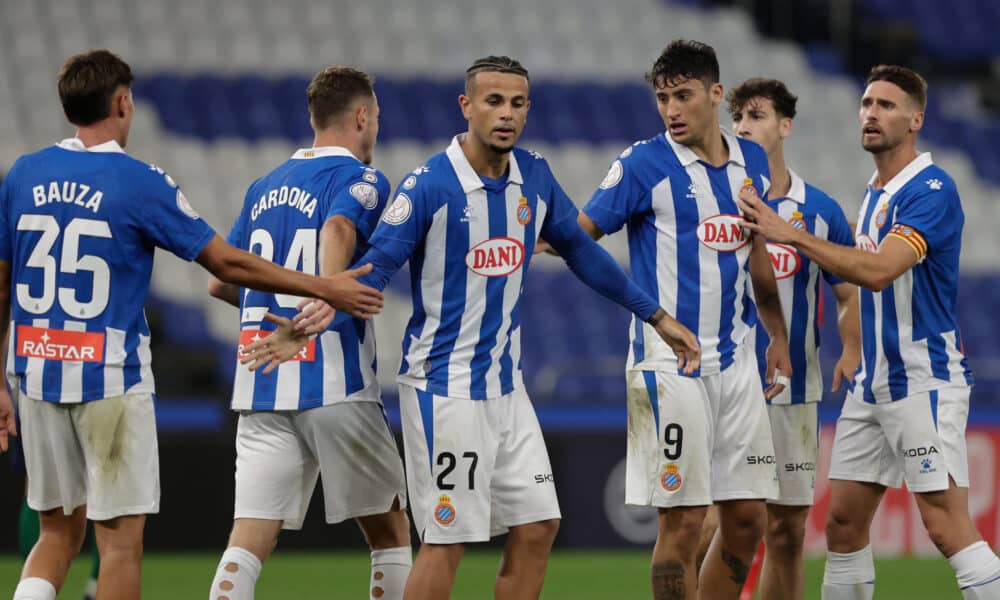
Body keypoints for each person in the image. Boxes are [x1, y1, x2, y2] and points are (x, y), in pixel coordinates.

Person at [246, 55, 700, 600]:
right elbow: (374, 270)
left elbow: (581, 251)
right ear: (467, 106)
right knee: (448, 541)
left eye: (517, 103)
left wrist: (657, 315)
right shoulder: (429, 186)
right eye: (493, 101)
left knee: (537, 527)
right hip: (444, 390)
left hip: (506, 391)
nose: (506, 114)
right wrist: (314, 317)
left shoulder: (534, 174)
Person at [1, 49, 383, 600]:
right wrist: (323, 286)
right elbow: (222, 264)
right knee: (119, 544)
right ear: (124, 102)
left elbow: (2, 280)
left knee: (57, 532)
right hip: (107, 376)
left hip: (34, 369)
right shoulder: (137, 181)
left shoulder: (23, 174)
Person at [738, 64, 1000, 600]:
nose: (870, 114)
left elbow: (879, 270)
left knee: (945, 528)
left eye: (885, 105)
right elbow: (858, 287)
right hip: (871, 386)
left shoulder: (930, 187)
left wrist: (790, 233)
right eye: (865, 104)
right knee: (843, 527)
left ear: (916, 119)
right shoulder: (877, 191)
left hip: (921, 381)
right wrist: (854, 346)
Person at [577, 40, 791, 599]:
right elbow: (578, 239)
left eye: (684, 96)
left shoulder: (751, 163)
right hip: (670, 365)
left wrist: (777, 335)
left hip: (739, 361)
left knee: (747, 520)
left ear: (716, 95)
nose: (672, 109)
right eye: (663, 97)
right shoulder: (642, 164)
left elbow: (758, 256)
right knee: (686, 522)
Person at [205, 66, 411, 600]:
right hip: (331, 379)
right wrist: (320, 301)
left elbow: (221, 283)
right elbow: (338, 227)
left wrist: (273, 311)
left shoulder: (262, 187)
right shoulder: (362, 178)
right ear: (362, 116)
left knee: (248, 538)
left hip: (261, 380)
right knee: (389, 531)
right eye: (377, 119)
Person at [721, 78, 861, 600]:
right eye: (736, 117)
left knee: (786, 531)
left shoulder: (818, 210)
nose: (742, 126)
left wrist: (851, 346)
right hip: (727, 384)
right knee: (724, 525)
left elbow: (849, 292)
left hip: (795, 390)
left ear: (785, 126)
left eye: (755, 115)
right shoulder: (717, 197)